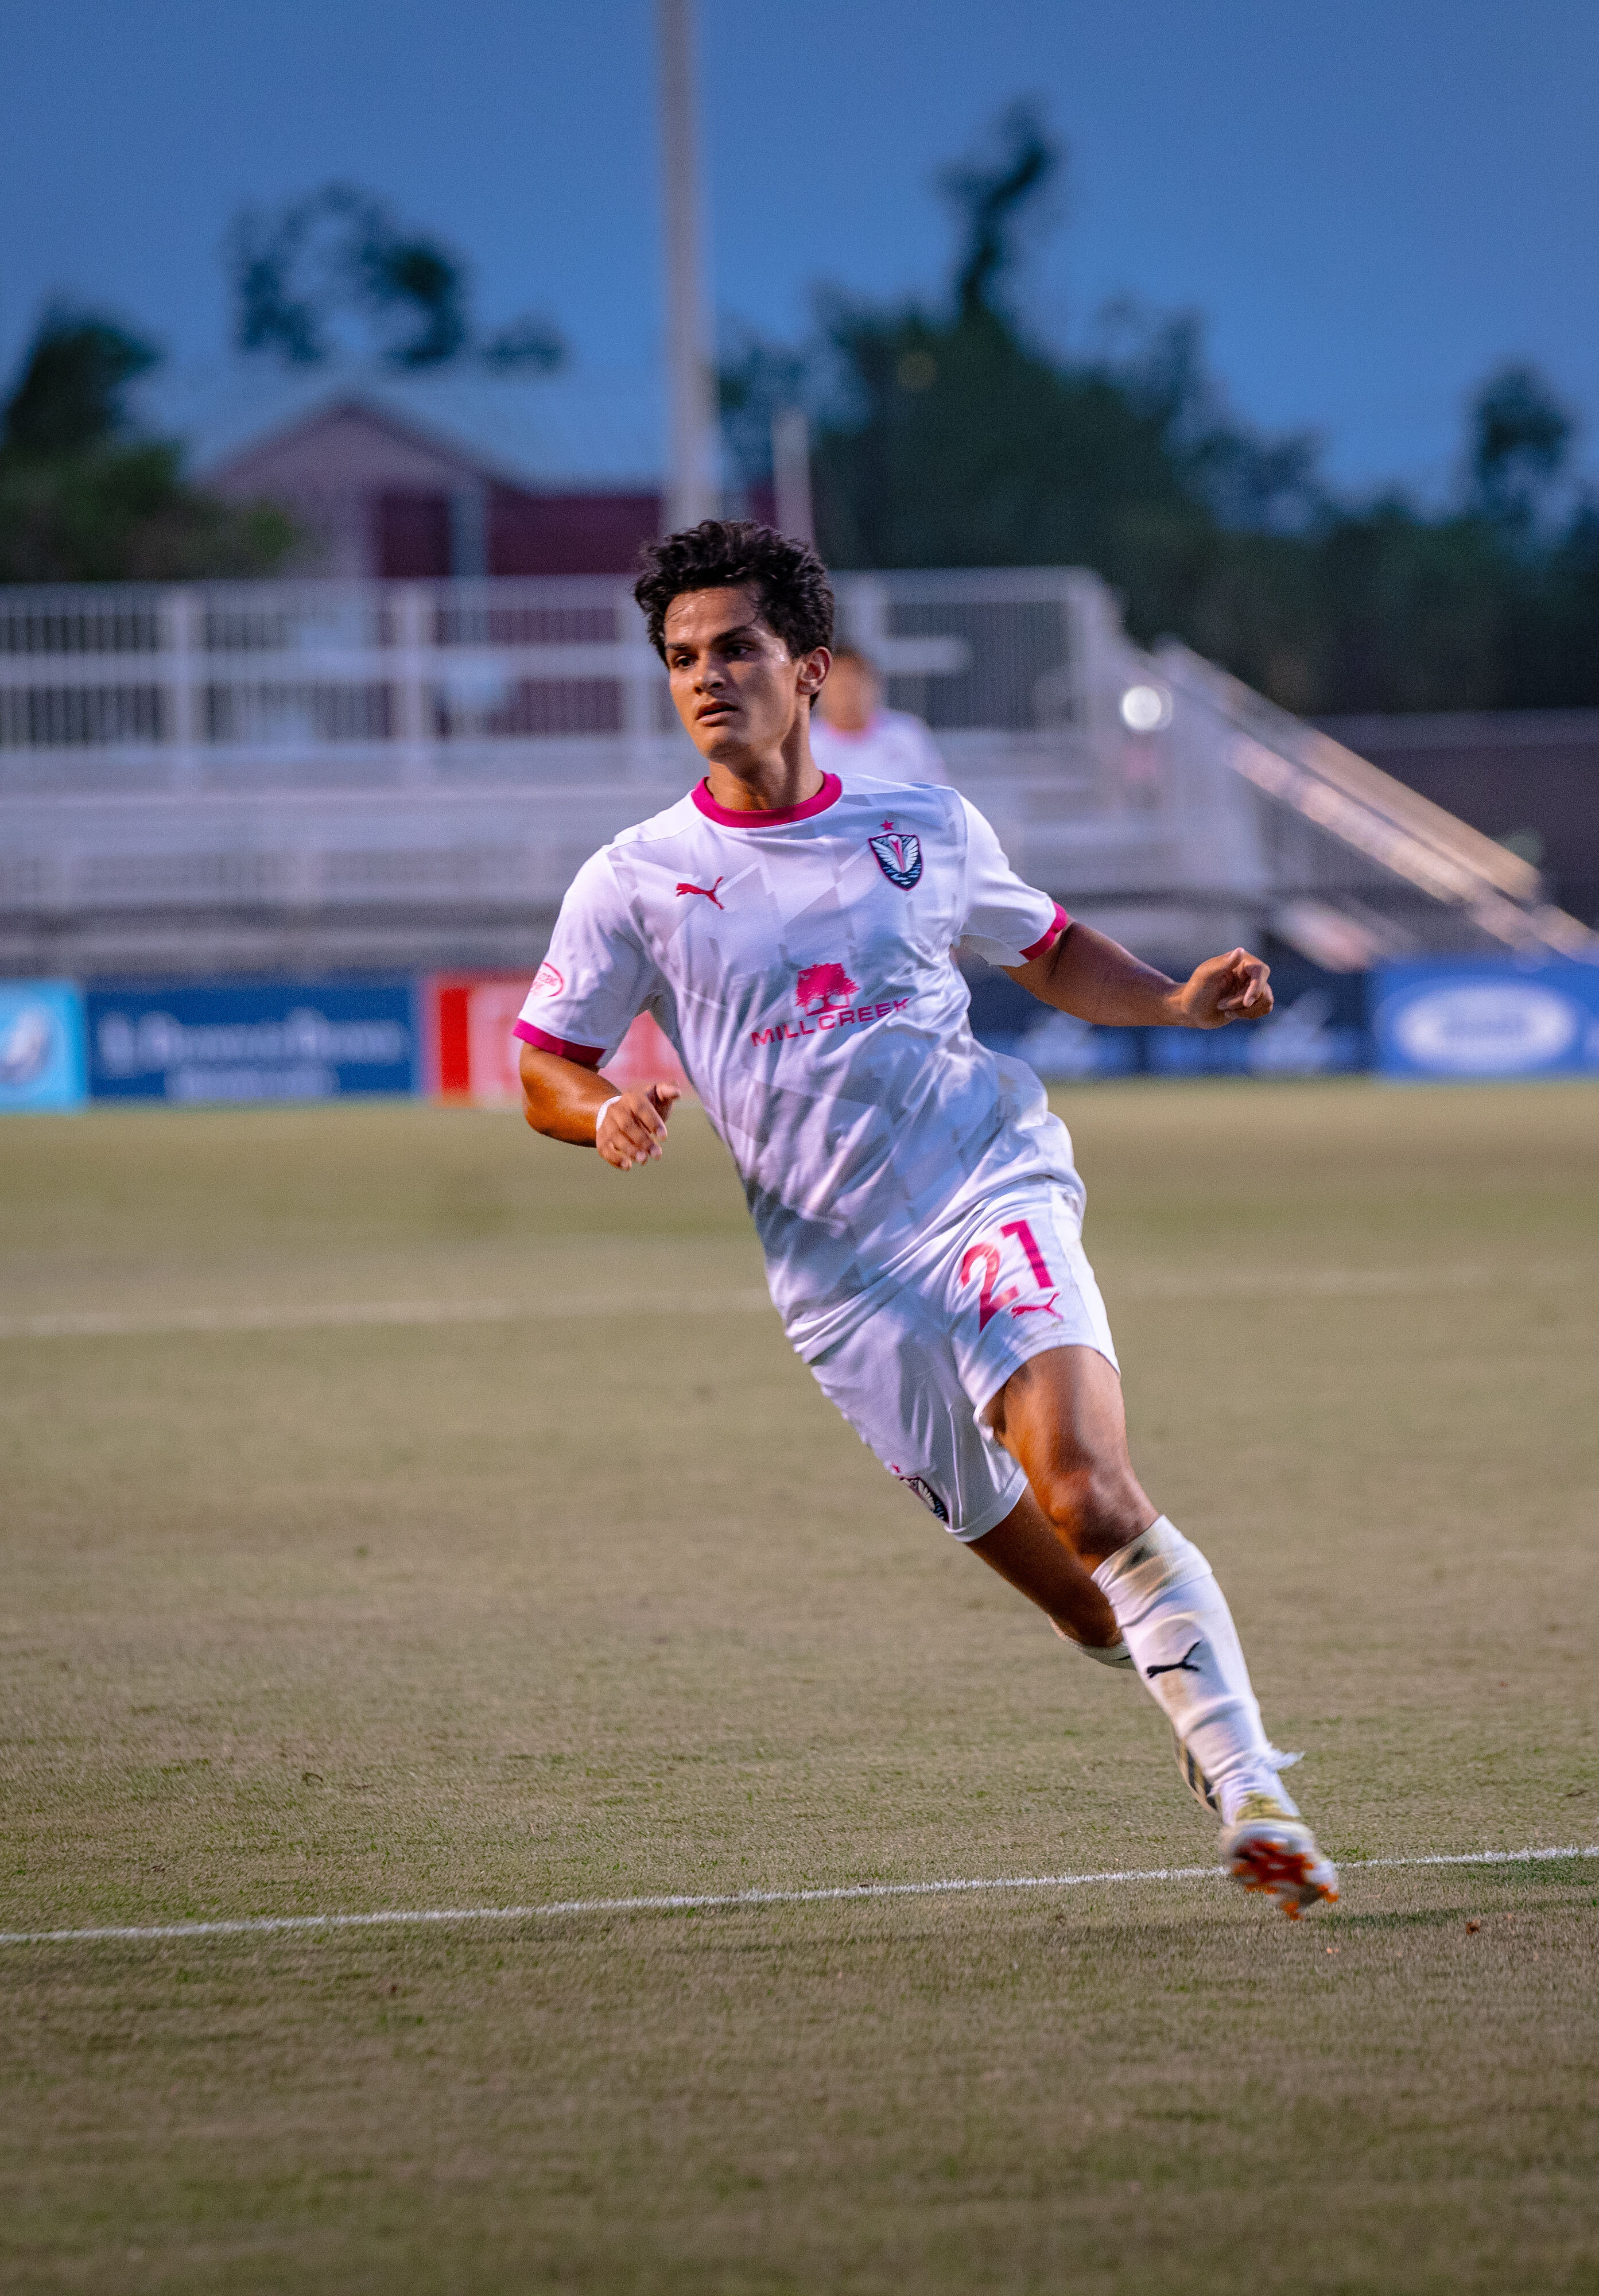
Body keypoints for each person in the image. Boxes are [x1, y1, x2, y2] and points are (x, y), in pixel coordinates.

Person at [513, 522, 1337, 1917]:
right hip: (839, 1291)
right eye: (680, 658)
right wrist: (599, 1113)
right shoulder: (634, 878)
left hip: (982, 1184)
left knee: (1089, 1488)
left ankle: (1256, 1788)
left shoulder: (919, 826)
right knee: (1085, 1604)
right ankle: (1201, 1733)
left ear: (810, 669)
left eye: (734, 649)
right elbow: (543, 1057)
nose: (705, 677)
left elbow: (1052, 947)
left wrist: (1178, 998)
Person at [810, 641, 951, 786]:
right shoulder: (806, 745)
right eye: (841, 687)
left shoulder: (906, 733)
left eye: (857, 685)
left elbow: (936, 792)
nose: (849, 697)